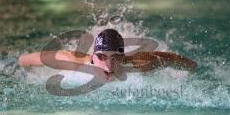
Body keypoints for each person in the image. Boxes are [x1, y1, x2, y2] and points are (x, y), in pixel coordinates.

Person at [19, 29, 198, 82]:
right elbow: (27, 59)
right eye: (102, 57)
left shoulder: (140, 63)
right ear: (93, 56)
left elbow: (173, 58)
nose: (109, 64)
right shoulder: (72, 60)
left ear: (123, 56)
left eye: (115, 57)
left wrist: (196, 71)